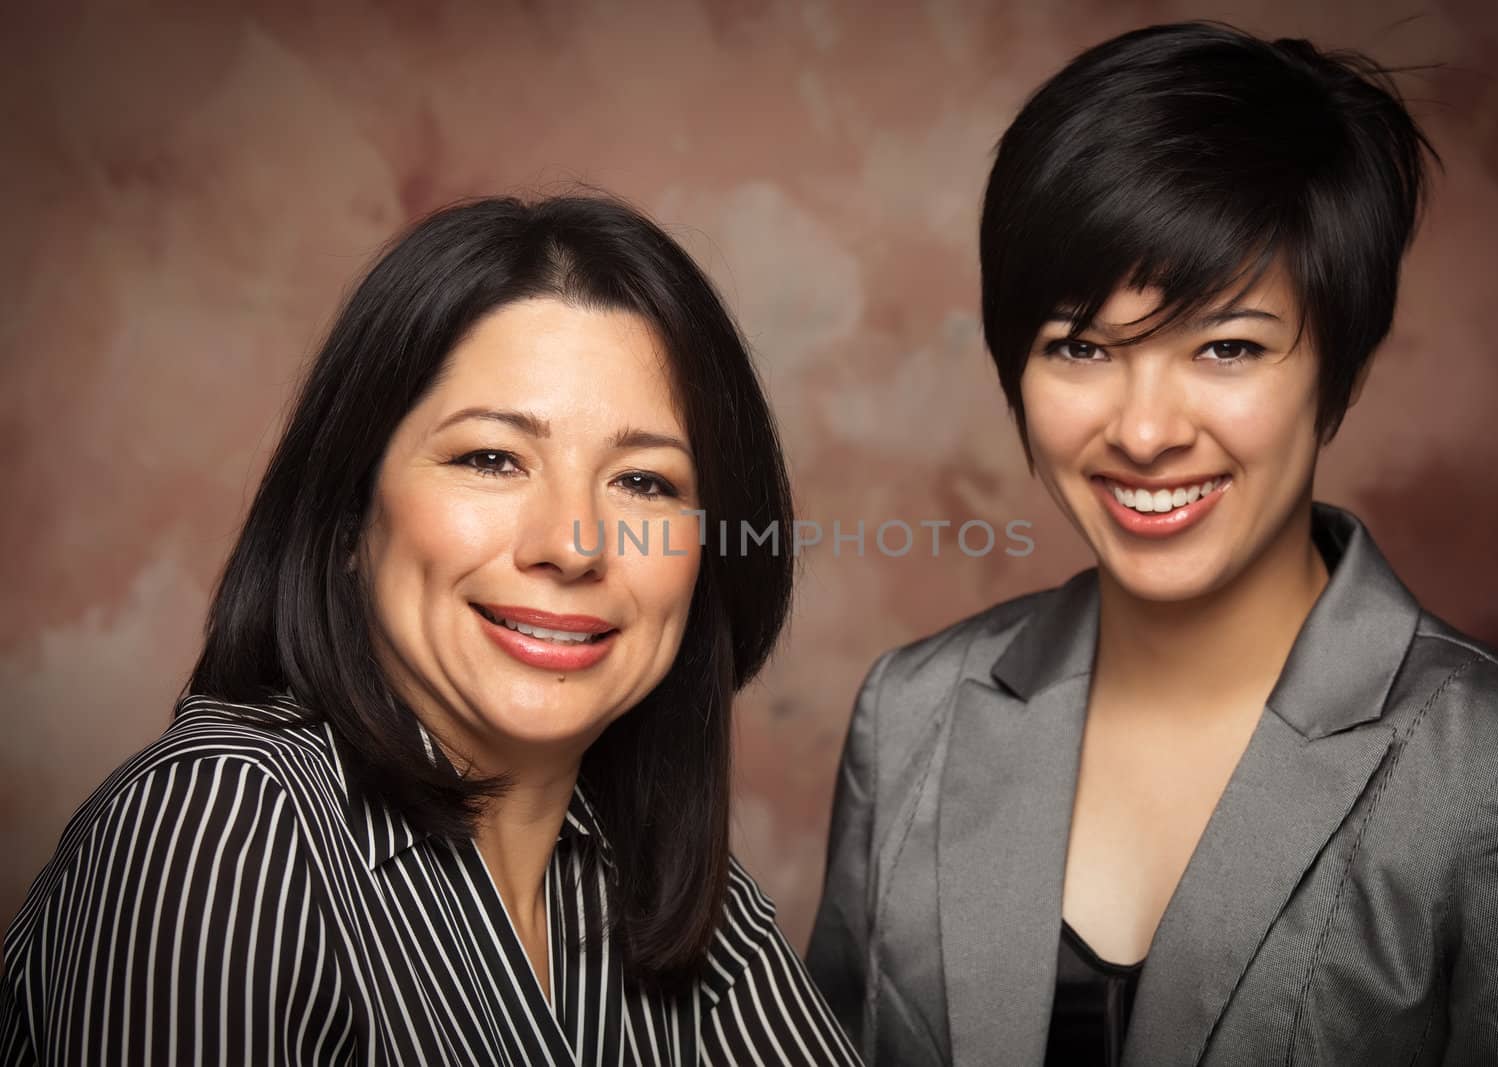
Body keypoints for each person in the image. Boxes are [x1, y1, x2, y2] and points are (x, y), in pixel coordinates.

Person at [806, 21, 1498, 1067]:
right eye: (1081, 346)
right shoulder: (910, 715)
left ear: (1338, 369)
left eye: (1226, 346)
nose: (1143, 431)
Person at [0, 195, 859, 1066]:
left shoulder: (662, 883)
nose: (573, 544)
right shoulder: (223, 824)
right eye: (490, 458)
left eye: (643, 482)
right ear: (345, 515)